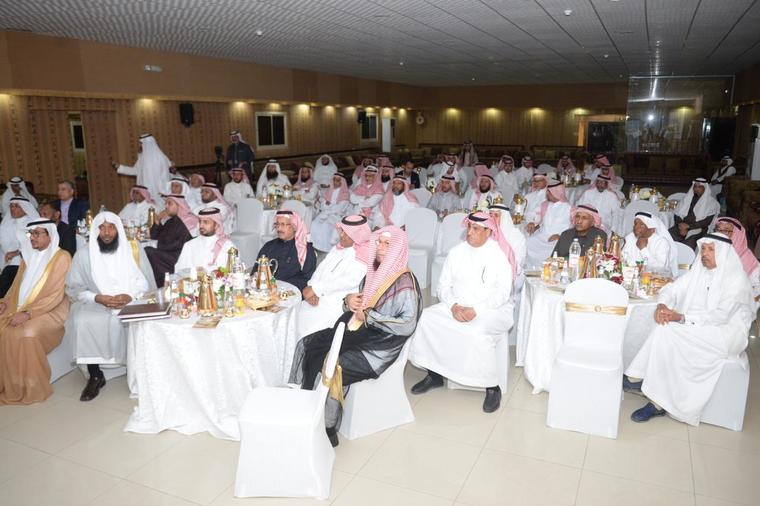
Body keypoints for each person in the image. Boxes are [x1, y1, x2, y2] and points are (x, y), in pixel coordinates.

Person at [290, 226, 422, 446]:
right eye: (379, 242)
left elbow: (407, 325)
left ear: (397, 249)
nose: (380, 248)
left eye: (387, 244)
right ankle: (306, 405)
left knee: (334, 365)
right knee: (308, 344)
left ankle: (328, 428)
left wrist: (370, 316)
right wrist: (348, 300)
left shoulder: (405, 284)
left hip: (382, 344)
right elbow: (357, 304)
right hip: (359, 331)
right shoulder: (374, 272)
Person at [624, 233, 754, 425]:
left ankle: (646, 389)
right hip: (697, 325)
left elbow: (720, 316)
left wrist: (681, 317)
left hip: (726, 334)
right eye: (703, 249)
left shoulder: (736, 279)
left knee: (670, 331)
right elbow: (671, 289)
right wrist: (662, 305)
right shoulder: (698, 272)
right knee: (665, 327)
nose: (705, 253)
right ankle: (647, 386)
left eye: (711, 249)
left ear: (723, 253)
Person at [411, 212, 516, 413]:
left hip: (491, 310)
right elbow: (443, 286)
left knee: (477, 332)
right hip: (457, 306)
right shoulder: (456, 252)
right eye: (469, 227)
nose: (470, 232)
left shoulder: (498, 255)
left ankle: (492, 387)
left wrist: (476, 310)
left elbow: (503, 293)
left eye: (476, 229)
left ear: (488, 231)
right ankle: (434, 375)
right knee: (426, 318)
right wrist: (453, 306)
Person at [66, 212, 150, 401]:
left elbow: (144, 282)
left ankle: (136, 367)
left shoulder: (132, 249)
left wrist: (129, 296)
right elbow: (74, 289)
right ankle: (95, 375)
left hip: (130, 300)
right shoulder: (84, 255)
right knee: (83, 319)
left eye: (111, 227)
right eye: (101, 228)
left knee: (137, 320)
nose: (106, 232)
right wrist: (98, 298)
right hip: (97, 302)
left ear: (118, 229)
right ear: (95, 231)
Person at [0, 219, 71, 405]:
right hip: (20, 307)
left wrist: (28, 314)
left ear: (50, 235)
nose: (32, 237)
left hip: (51, 310)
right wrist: (5, 302)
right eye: (30, 234)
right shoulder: (27, 257)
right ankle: (7, 382)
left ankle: (30, 386)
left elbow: (55, 295)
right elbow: (16, 287)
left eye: (37, 233)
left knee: (26, 333)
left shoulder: (61, 257)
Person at [297, 215, 370, 339]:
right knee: (291, 320)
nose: (342, 236)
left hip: (335, 305)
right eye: (342, 231)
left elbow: (347, 281)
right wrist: (311, 286)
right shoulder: (339, 247)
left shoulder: (364, 254)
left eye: (347, 233)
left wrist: (316, 289)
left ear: (358, 236)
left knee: (306, 332)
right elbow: (321, 268)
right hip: (316, 298)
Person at [254, 210, 316, 292]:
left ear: (294, 226)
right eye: (277, 224)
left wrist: (283, 288)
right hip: (265, 291)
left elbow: (308, 279)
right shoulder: (268, 246)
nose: (279, 228)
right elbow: (256, 271)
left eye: (283, 224)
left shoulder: (305, 250)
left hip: (291, 292)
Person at [145, 194, 195, 286]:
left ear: (179, 205)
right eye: (166, 203)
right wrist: (158, 220)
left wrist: (158, 246)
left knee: (149, 251)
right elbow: (154, 236)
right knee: (147, 251)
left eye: (169, 203)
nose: (166, 206)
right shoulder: (171, 221)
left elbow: (180, 244)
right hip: (168, 253)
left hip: (179, 257)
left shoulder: (189, 220)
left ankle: (160, 284)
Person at [113, 133, 172, 204]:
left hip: (158, 192)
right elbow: (135, 171)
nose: (140, 145)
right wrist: (120, 167)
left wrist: (164, 192)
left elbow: (166, 176)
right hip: (144, 192)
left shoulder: (160, 157)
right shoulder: (142, 158)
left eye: (141, 143)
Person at [174, 207, 235, 274]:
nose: (201, 226)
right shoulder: (189, 245)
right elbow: (179, 270)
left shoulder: (228, 246)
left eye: (206, 222)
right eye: (200, 222)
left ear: (216, 225)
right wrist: (194, 271)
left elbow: (234, 271)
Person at [0, 197, 40, 298]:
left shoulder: (31, 224)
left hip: (25, 259)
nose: (12, 209)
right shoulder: (6, 223)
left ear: (25, 208)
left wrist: (17, 252)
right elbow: (4, 242)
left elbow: (32, 242)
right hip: (7, 259)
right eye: (11, 206)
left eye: (16, 206)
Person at [525, 182, 571, 268]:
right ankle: (532, 268)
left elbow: (573, 227)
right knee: (527, 242)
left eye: (549, 192)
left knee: (553, 249)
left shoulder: (569, 208)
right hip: (542, 235)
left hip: (559, 238)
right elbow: (533, 215)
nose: (546, 194)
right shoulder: (545, 205)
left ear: (556, 193)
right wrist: (531, 222)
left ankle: (546, 269)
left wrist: (560, 236)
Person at [715, 217, 760, 301]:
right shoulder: (710, 249)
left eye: (726, 230)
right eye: (718, 230)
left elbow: (757, 290)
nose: (720, 234)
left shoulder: (747, 259)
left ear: (737, 235)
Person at [622, 212, 678, 276]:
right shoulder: (630, 238)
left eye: (642, 225)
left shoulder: (661, 242)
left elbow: (660, 268)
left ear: (652, 229)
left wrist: (643, 249)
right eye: (635, 224)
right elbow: (623, 258)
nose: (636, 227)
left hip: (657, 279)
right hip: (631, 276)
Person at [669, 178, 720, 249]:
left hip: (698, 228)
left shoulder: (712, 203)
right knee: (667, 236)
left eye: (699, 187)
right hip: (682, 225)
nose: (696, 189)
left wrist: (688, 226)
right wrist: (681, 225)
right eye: (695, 186)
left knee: (688, 245)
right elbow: (677, 214)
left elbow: (706, 222)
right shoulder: (687, 199)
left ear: (705, 188)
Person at [311, 173, 351, 252]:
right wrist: (327, 205)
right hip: (325, 213)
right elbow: (322, 205)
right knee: (314, 223)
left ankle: (325, 248)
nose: (335, 182)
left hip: (336, 216)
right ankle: (315, 245)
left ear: (342, 182)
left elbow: (339, 209)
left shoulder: (345, 194)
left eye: (338, 180)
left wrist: (328, 205)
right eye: (334, 180)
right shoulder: (329, 191)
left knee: (325, 225)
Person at [489, 203, 526, 271]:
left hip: (508, 272)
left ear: (504, 217)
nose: (492, 219)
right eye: (490, 215)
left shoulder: (516, 236)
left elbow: (517, 262)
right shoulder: (488, 233)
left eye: (496, 215)